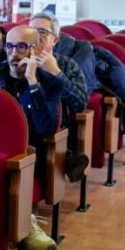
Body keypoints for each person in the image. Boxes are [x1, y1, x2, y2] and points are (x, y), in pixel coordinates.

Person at [0, 25, 64, 250]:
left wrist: (33, 83)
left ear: (38, 49)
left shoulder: (49, 83)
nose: (14, 53)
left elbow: (45, 128)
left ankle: (26, 218)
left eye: (22, 47)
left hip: (27, 152)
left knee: (22, 157)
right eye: (10, 46)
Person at [29, 12, 89, 183]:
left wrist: (57, 73)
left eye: (41, 32)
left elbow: (81, 103)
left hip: (56, 124)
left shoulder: (66, 65)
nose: (35, 37)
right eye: (31, 31)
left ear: (55, 40)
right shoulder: (17, 58)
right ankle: (68, 157)